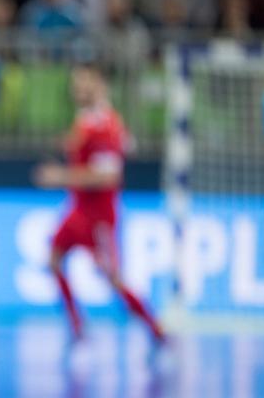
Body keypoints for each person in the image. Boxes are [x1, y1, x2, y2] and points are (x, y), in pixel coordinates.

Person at [33, 62, 165, 343]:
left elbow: (108, 177)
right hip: (78, 211)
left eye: (84, 82)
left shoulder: (107, 125)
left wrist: (59, 176)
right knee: (54, 260)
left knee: (112, 278)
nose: (78, 88)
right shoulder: (86, 120)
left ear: (100, 85)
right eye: (75, 82)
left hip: (99, 217)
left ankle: (155, 328)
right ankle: (77, 326)